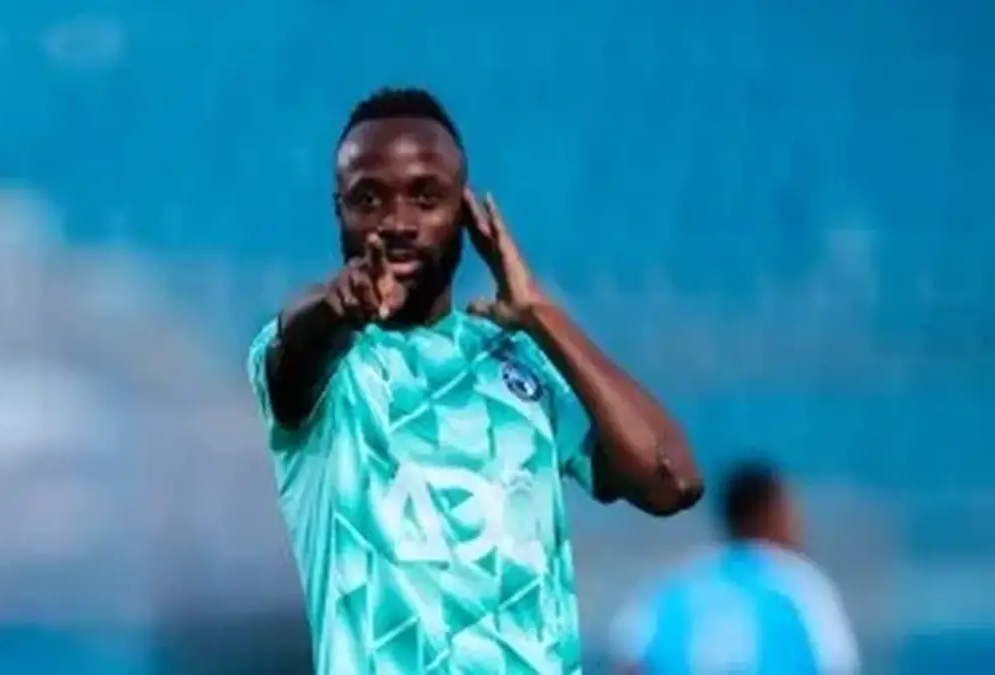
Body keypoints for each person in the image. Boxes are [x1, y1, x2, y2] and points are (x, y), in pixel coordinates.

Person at [247, 86, 703, 674]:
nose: (397, 223)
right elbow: (297, 344)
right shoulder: (324, 368)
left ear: (464, 212)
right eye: (368, 198)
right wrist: (337, 309)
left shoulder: (523, 360)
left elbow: (671, 480)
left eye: (425, 197)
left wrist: (541, 313)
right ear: (340, 211)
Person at [607, 461, 860, 674]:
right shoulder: (800, 585)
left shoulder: (671, 585)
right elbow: (837, 665)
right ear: (770, 514)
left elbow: (628, 664)